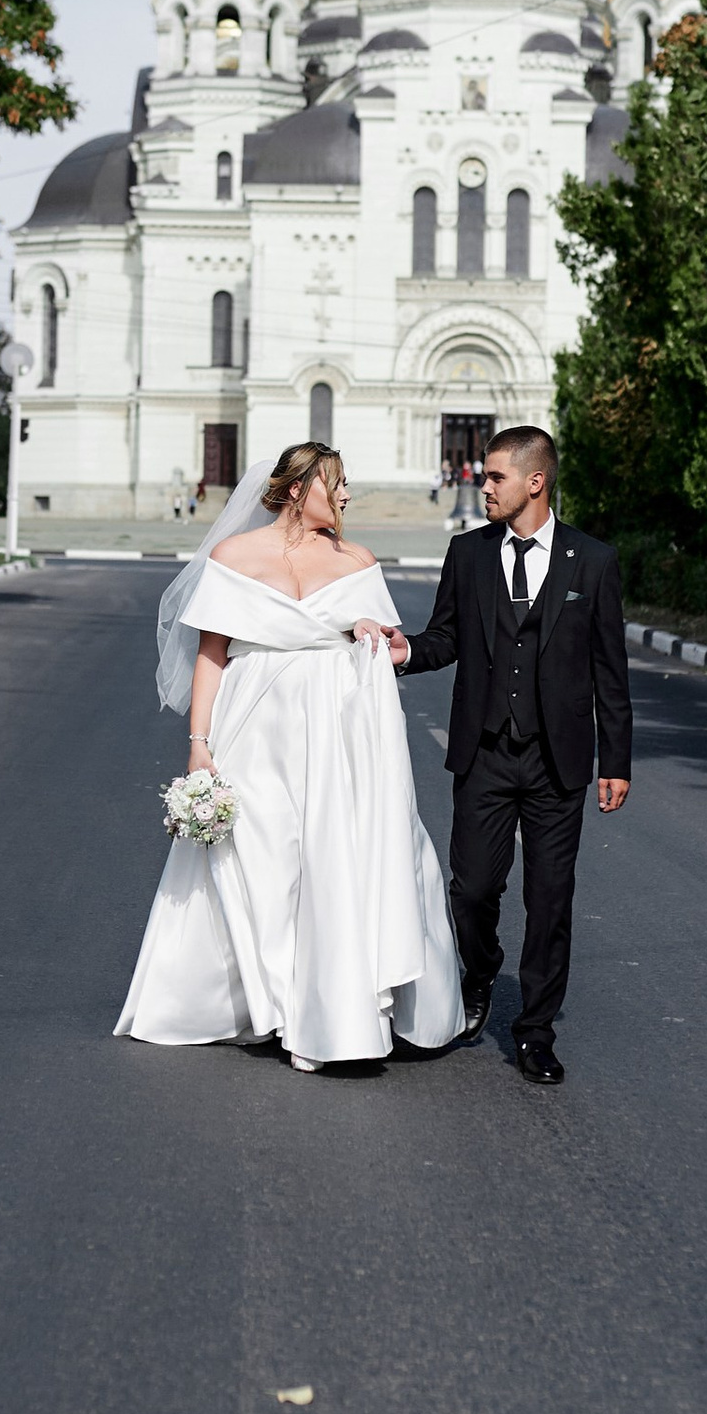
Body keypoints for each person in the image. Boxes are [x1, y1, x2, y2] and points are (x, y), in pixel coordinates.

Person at [117, 442, 465, 1071]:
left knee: (331, 859)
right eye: (339, 483)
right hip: (257, 728)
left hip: (338, 733)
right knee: (265, 860)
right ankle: (272, 1001)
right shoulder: (232, 557)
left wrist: (369, 635)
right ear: (300, 489)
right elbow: (212, 655)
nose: (348, 496)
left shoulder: (357, 559)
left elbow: (383, 642)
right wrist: (200, 746)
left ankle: (328, 1010)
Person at [391, 424, 630, 1088]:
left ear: (535, 481)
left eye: (494, 476)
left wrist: (617, 760)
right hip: (486, 753)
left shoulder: (594, 561)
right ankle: (476, 974)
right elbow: (444, 637)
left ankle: (535, 1033)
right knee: (470, 891)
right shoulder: (466, 555)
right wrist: (406, 650)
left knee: (550, 900)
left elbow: (610, 671)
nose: (481, 483)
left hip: (560, 763)